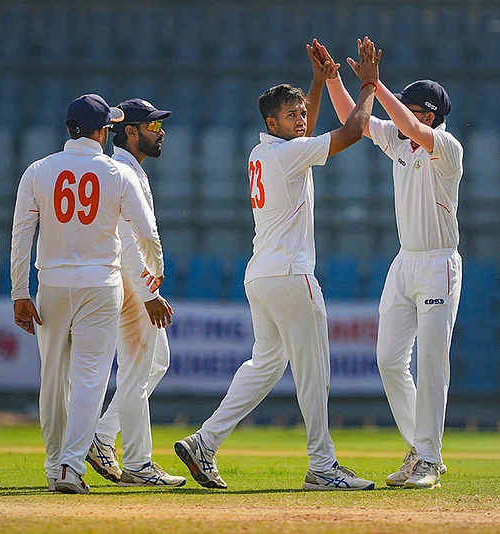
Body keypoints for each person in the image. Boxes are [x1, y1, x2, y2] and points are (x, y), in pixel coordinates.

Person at [174, 38, 380, 491]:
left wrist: (316, 83)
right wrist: (367, 85)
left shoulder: (263, 151)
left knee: (265, 367)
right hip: (291, 274)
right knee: (314, 372)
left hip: (262, 275)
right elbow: (353, 131)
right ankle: (322, 467)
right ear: (272, 123)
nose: (302, 118)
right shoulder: (288, 154)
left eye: (301, 113)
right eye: (293, 115)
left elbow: (305, 131)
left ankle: (204, 442)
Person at [316, 37, 462, 489]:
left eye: (415, 109)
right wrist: (338, 80)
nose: (406, 116)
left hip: (439, 263)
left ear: (430, 116)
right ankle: (420, 450)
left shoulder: (445, 148)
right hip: (404, 265)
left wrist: (376, 86)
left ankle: (430, 461)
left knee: (432, 363)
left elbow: (412, 128)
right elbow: (351, 122)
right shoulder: (398, 142)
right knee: (389, 360)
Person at [10, 94, 164, 494]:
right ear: (102, 131)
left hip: (52, 283)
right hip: (100, 282)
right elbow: (145, 232)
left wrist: (18, 292)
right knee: (90, 378)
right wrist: (156, 269)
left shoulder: (38, 170)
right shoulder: (117, 173)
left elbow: (21, 235)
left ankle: (52, 463)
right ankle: (70, 466)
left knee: (53, 377)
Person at [85, 98, 184, 487]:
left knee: (155, 362)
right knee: (135, 372)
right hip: (130, 282)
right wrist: (146, 292)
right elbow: (127, 238)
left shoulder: (130, 169)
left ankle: (102, 435)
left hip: (132, 279)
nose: (160, 134)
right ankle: (140, 464)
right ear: (130, 131)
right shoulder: (121, 170)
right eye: (153, 127)